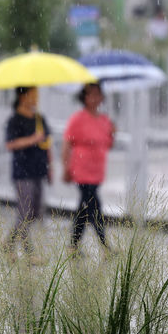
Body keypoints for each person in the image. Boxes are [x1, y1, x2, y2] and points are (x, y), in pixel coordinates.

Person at [62, 83, 116, 256]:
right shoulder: (78, 119)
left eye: (97, 94)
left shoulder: (105, 120)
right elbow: (66, 144)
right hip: (82, 170)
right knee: (94, 206)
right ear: (84, 97)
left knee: (84, 209)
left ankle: (73, 245)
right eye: (90, 94)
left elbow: (108, 144)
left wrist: (113, 133)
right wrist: (66, 167)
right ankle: (105, 245)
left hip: (97, 171)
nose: (94, 98)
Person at [3, 86, 53, 263]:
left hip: (38, 171)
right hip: (22, 172)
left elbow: (47, 143)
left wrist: (50, 168)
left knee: (34, 212)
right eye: (31, 94)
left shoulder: (40, 118)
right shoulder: (14, 120)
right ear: (21, 96)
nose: (35, 98)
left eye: (36, 94)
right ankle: (29, 253)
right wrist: (33, 139)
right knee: (24, 212)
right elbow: (10, 144)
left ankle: (8, 243)